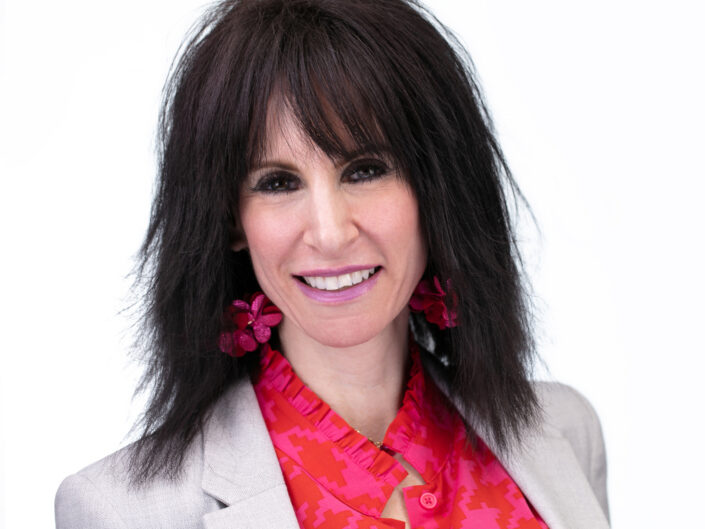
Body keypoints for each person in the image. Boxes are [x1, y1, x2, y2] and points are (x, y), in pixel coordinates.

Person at [55, 0, 610, 527]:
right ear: (230, 222)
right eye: (277, 183)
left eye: (365, 170)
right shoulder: (123, 512)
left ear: (436, 188)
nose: (329, 232)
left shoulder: (565, 430)